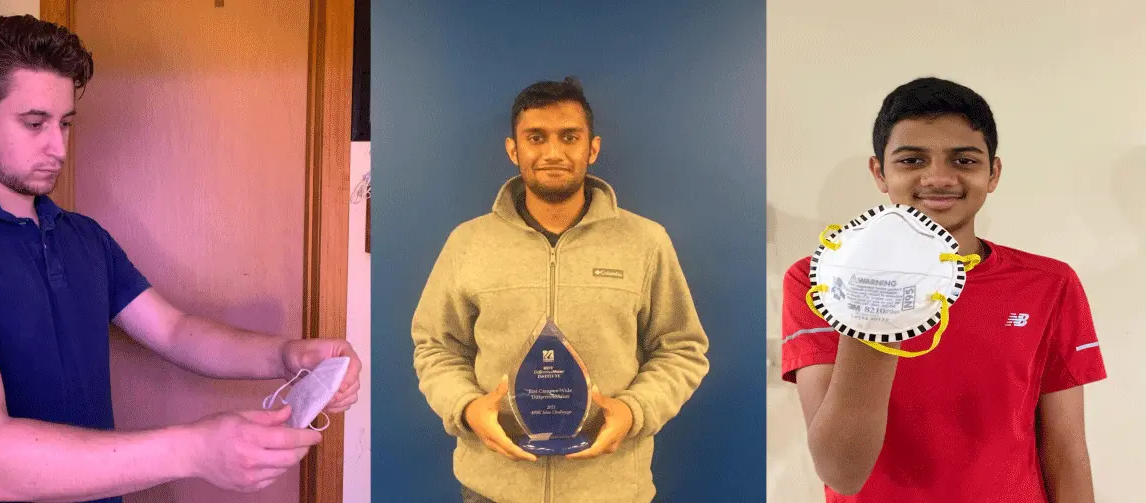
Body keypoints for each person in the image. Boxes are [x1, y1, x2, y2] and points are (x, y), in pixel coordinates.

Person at [0, 15, 360, 502]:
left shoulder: (83, 237)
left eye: (65, 123)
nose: (58, 147)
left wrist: (287, 356)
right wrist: (194, 450)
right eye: (35, 123)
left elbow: (173, 330)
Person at [780, 77, 1106, 502]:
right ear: (880, 173)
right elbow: (842, 471)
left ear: (994, 174)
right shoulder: (816, 280)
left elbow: (1065, 449)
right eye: (912, 160)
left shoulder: (1049, 283)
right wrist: (872, 306)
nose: (938, 178)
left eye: (964, 161)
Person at [411, 76, 710, 503]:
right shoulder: (468, 243)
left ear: (593, 148)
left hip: (612, 491)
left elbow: (682, 348)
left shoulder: (646, 242)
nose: (553, 152)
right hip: (493, 490)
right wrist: (467, 408)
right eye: (536, 137)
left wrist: (632, 411)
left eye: (569, 137)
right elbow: (435, 346)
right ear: (514, 149)